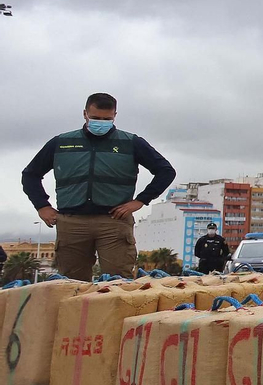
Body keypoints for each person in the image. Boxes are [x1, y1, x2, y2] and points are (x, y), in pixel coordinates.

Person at [22, 93, 176, 282]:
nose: (101, 123)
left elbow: (166, 171)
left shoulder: (130, 143)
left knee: (118, 282)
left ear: (115, 116)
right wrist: (42, 206)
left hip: (113, 222)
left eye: (107, 119)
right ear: (85, 114)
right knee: (70, 283)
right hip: (72, 223)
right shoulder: (61, 143)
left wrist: (140, 201)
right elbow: (30, 174)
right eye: (95, 118)